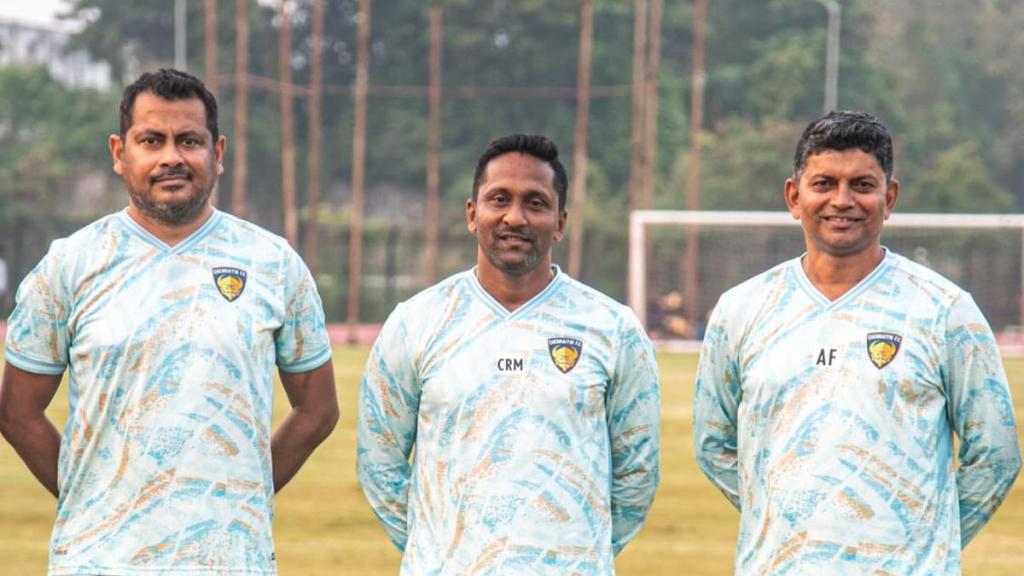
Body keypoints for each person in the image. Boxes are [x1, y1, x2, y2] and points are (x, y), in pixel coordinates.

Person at [0, 69, 338, 575]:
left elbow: (317, 410)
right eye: (151, 140)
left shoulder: (274, 262)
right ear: (119, 152)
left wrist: (243, 495)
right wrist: (91, 496)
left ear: (217, 153)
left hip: (231, 560)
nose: (171, 157)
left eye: (190, 141)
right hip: (99, 561)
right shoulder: (69, 265)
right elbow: (16, 412)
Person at [693, 111, 1021, 574]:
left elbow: (996, 455)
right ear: (794, 196)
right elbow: (712, 443)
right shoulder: (741, 309)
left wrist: (920, 538)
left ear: (889, 198)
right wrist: (791, 519)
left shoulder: (945, 310)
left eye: (862, 186)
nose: (842, 201)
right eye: (824, 183)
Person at [357, 134, 660, 574]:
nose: (514, 217)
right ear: (472, 214)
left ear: (560, 222)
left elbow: (638, 475)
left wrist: (574, 553)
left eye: (535, 203)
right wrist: (439, 546)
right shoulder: (415, 323)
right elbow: (379, 461)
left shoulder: (613, 328)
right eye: (499, 199)